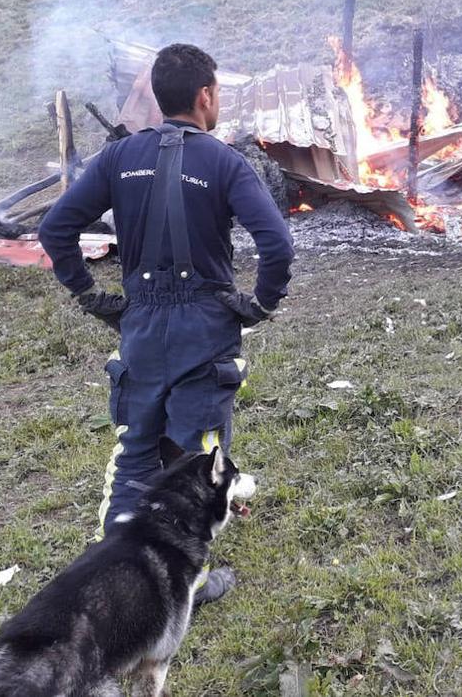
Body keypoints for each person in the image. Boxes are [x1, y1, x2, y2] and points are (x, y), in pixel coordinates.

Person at [38, 43, 294, 604]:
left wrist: (91, 296)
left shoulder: (118, 158)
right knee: (195, 460)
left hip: (142, 326)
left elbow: (56, 229)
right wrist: (261, 304)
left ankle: (113, 575)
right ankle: (187, 584)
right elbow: (276, 243)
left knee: (134, 452)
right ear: (205, 96)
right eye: (218, 92)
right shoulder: (225, 162)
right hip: (206, 330)